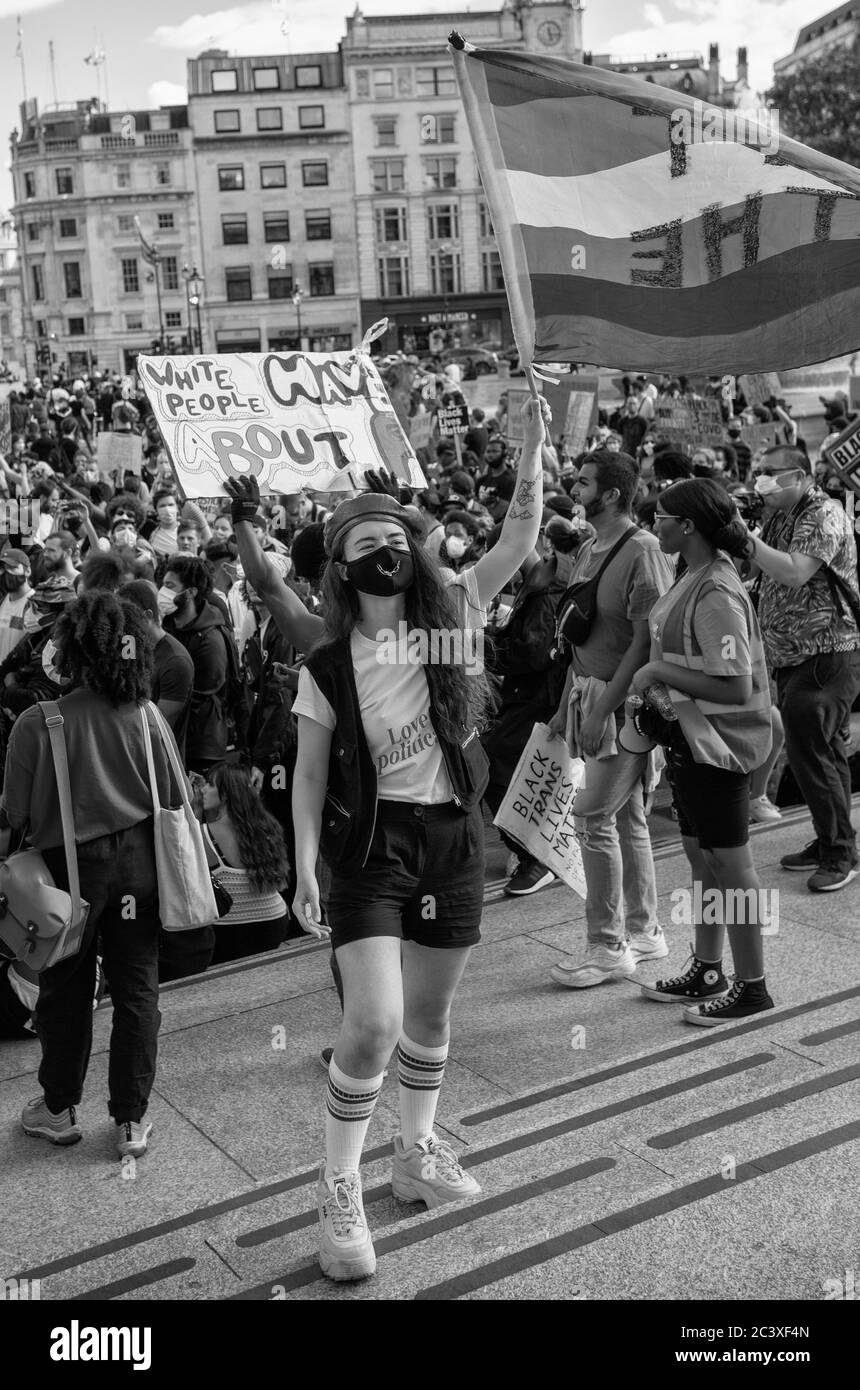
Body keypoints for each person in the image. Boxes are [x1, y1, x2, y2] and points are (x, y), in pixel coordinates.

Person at [226, 397, 547, 1283]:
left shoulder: (451, 619)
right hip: (369, 850)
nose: (384, 550)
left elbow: (517, 541)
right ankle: (337, 1186)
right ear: (340, 565)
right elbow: (315, 772)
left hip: (451, 838)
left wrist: (532, 454)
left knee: (433, 1019)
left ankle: (414, 1157)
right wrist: (300, 867)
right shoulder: (326, 659)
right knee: (370, 1026)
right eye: (363, 541)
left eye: (392, 535)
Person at [1, 591, 183, 1156]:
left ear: (75, 651)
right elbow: (173, 797)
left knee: (65, 989)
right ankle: (130, 1120)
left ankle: (57, 1108)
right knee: (136, 989)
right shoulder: (147, 713)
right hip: (141, 870)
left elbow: (15, 815)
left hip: (66, 876)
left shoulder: (38, 723)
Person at [633, 480, 775, 1023]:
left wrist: (656, 671)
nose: (655, 524)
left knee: (731, 866)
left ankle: (753, 986)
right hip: (692, 742)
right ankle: (708, 968)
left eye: (661, 516)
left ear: (687, 526)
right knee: (702, 858)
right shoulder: (689, 573)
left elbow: (736, 686)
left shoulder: (715, 589)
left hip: (721, 747)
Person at [547, 450, 675, 988]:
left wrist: (601, 710)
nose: (574, 491)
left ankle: (608, 945)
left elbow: (645, 644)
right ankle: (643, 931)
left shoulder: (642, 550)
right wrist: (564, 707)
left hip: (623, 709)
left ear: (614, 494)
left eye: (583, 483)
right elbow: (580, 633)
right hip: (588, 695)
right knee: (628, 819)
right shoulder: (590, 546)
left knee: (592, 816)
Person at [745, 445, 860, 891]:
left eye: (770, 473)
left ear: (800, 474)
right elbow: (765, 568)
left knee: (811, 752)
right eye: (759, 472)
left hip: (827, 653)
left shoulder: (823, 513)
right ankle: (833, 838)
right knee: (825, 751)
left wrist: (745, 540)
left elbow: (795, 571)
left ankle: (838, 855)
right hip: (794, 655)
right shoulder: (781, 515)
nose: (762, 481)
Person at [197, 763, 291, 965]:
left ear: (226, 794)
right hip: (274, 918)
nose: (203, 790)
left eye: (209, 785)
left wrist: (193, 809)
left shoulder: (202, 834)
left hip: (229, 927)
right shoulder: (267, 827)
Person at [159, 556, 236, 773]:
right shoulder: (168, 625)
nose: (163, 592)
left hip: (201, 747)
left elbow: (202, 690)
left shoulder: (211, 639)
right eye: (163, 585)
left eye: (170, 586)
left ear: (191, 592)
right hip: (173, 738)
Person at [123, 579, 194, 759]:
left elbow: (157, 727)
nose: (122, 626)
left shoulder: (176, 661)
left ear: (147, 616)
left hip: (159, 761)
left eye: (127, 618)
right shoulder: (130, 643)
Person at [0, 549, 33, 663]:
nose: (6, 573)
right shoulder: (2, 601)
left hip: (18, 677)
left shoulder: (35, 604)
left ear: (27, 571)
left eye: (12, 568)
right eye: (2, 569)